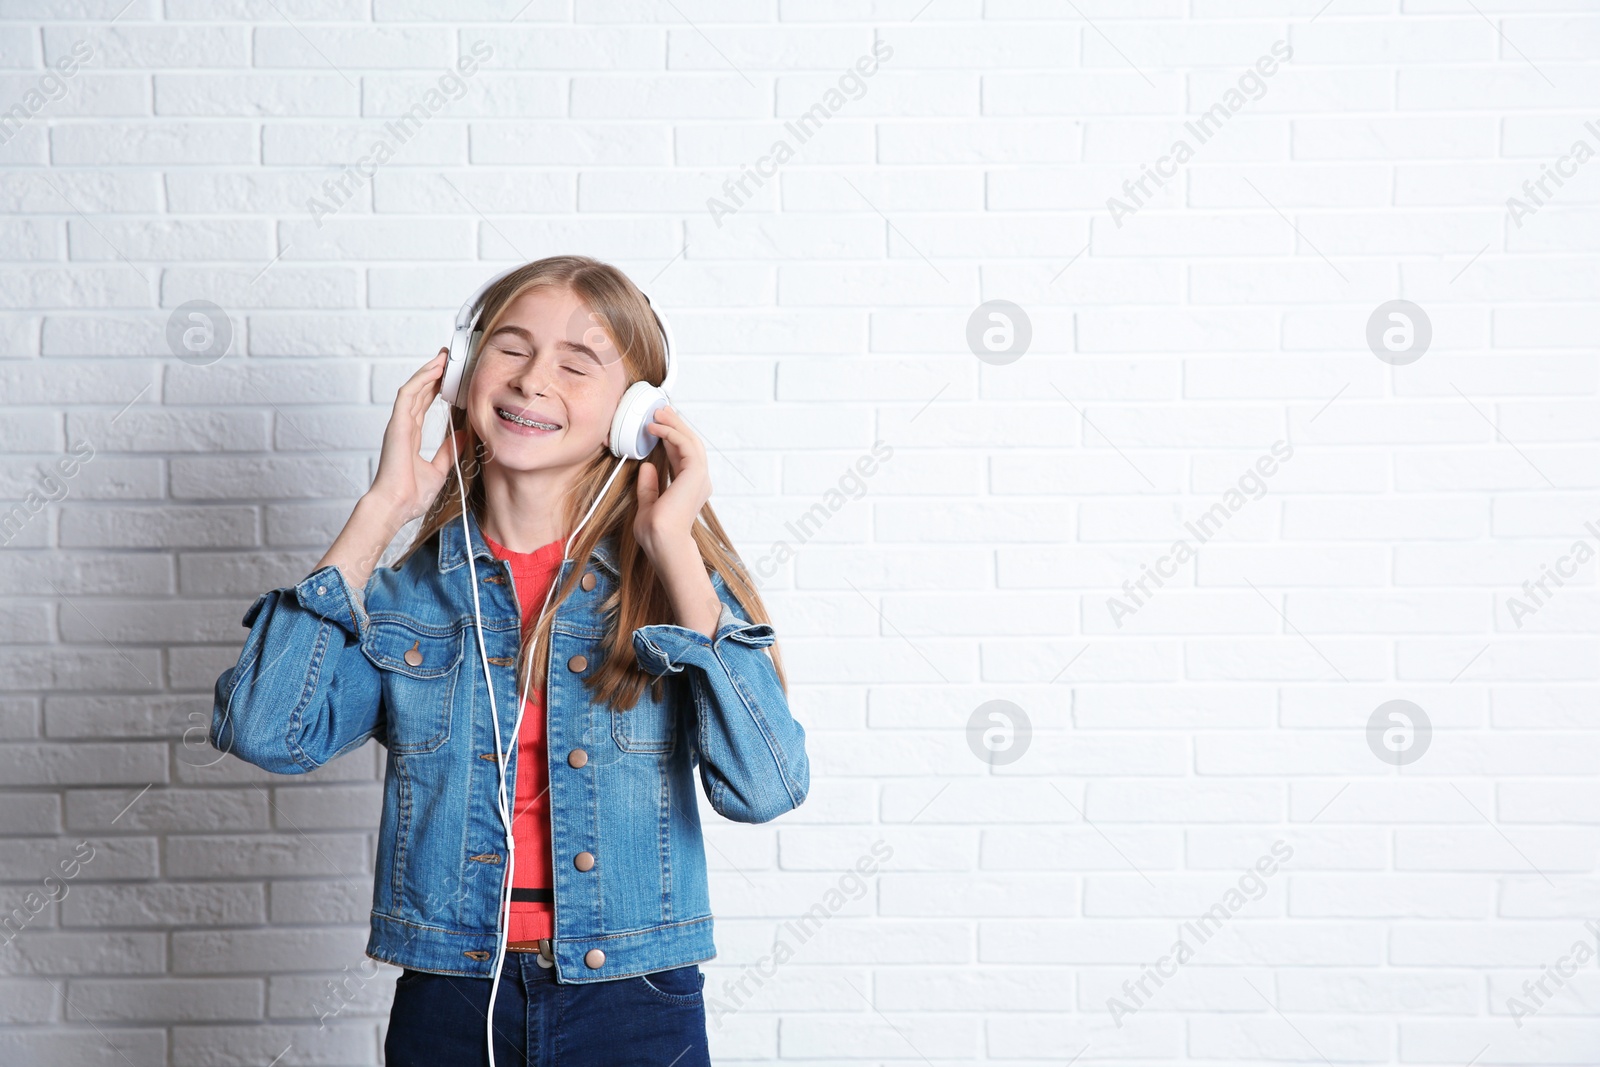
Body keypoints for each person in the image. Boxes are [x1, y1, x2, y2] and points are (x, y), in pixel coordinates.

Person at [209, 255, 811, 1065]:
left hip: (635, 999)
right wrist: (383, 507)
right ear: (461, 370)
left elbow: (766, 787)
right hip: (450, 997)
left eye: (577, 361)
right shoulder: (405, 599)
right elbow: (266, 728)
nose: (533, 380)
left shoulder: (663, 593)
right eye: (511, 347)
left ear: (635, 414)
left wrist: (672, 544)